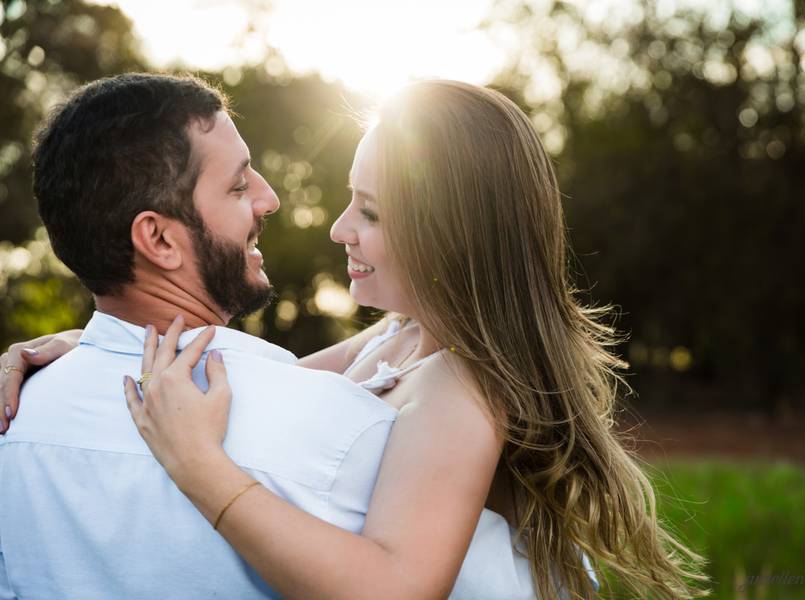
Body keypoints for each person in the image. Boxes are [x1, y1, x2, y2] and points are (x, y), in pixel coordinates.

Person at [1, 78, 710, 599]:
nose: (339, 229)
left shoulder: (466, 389)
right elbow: (259, 368)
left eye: (368, 212)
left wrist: (201, 468)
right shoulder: (394, 341)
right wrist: (90, 344)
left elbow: (398, 590)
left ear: (449, 232)